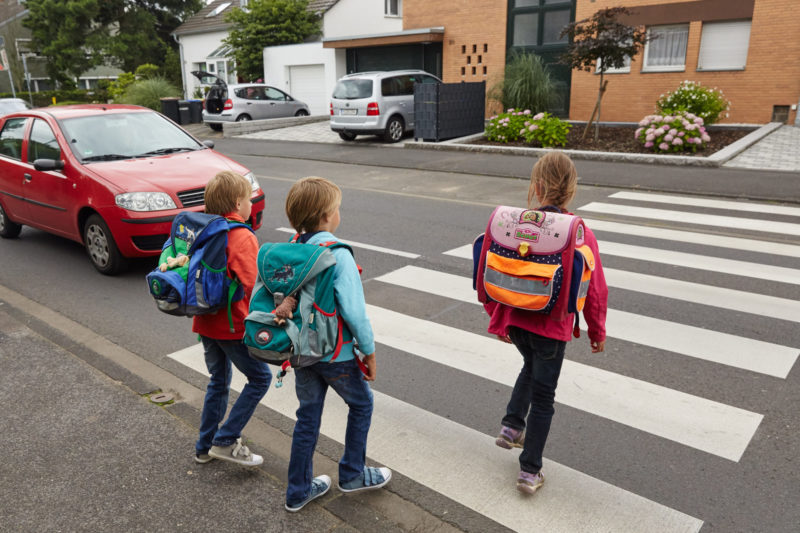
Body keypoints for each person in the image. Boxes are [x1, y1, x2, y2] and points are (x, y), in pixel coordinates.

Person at [487, 152, 608, 495]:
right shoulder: (578, 233)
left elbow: (498, 271)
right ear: (571, 189)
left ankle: (511, 426)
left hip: (516, 322)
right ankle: (530, 471)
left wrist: (500, 322)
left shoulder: (516, 225)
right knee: (544, 398)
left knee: (530, 365)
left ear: (536, 186)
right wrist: (596, 332)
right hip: (552, 329)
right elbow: (596, 290)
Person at [283, 176, 391, 513]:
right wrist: (369, 352)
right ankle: (352, 473)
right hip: (336, 354)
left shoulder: (292, 248)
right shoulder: (338, 254)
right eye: (337, 208)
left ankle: (298, 490)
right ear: (327, 216)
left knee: (307, 417)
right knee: (361, 405)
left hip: (301, 351)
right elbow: (355, 314)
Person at [193, 171, 272, 466]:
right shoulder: (241, 236)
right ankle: (225, 440)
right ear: (238, 203)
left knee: (219, 379)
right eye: (249, 199)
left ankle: (204, 447)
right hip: (232, 326)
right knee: (260, 379)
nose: (252, 204)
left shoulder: (204, 230)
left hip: (205, 322)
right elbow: (254, 285)